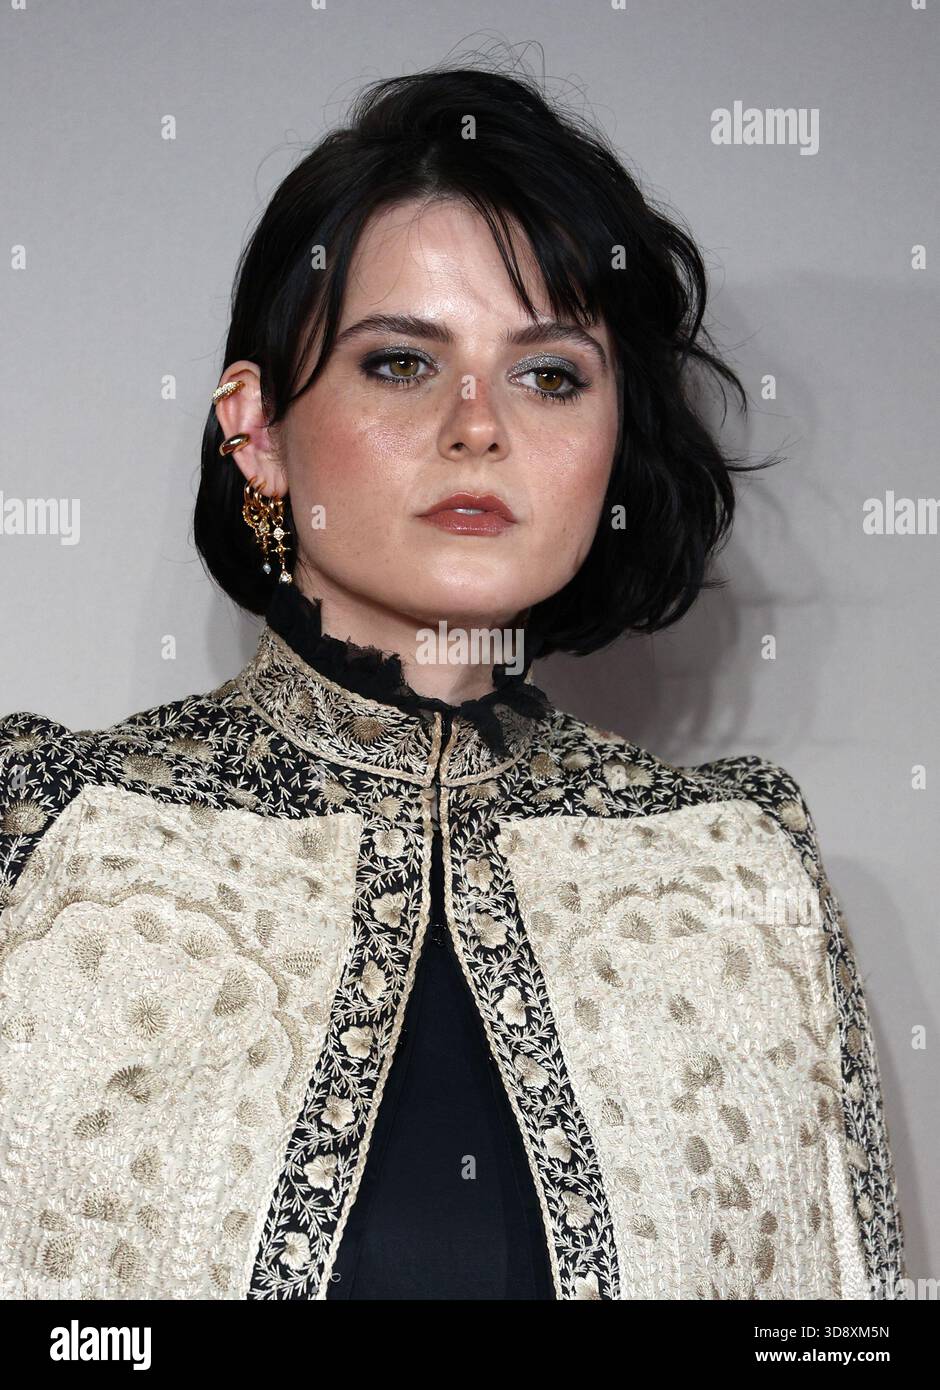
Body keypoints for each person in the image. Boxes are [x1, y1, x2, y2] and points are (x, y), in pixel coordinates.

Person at [0, 62, 904, 1301]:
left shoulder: (739, 873)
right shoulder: (48, 831)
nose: (478, 424)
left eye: (549, 376)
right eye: (399, 363)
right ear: (256, 430)